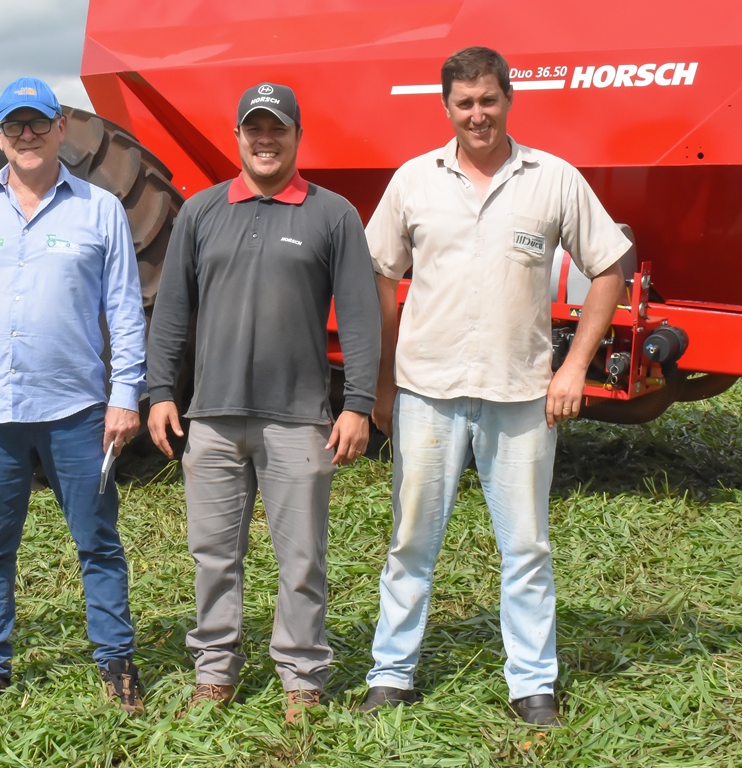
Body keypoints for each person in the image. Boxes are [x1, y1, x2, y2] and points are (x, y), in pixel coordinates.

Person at [359, 47, 631, 726]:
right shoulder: (413, 181)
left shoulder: (553, 179)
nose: (476, 114)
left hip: (520, 398)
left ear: (508, 99)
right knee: (410, 542)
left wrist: (573, 368)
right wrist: (383, 384)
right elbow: (380, 280)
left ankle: (531, 685)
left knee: (527, 547)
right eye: (463, 103)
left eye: (487, 100)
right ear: (445, 107)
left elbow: (610, 265)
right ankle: (391, 673)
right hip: (426, 392)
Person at [146, 82, 383, 724]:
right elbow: (172, 312)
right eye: (254, 128)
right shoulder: (200, 211)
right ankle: (215, 669)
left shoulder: (332, 215)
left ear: (297, 136)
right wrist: (161, 391)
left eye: (277, 128)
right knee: (213, 553)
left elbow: (361, 317)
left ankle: (302, 674)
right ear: (238, 138)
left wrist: (358, 402)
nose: (265, 139)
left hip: (298, 418)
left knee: (301, 555)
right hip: (213, 419)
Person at [0, 77, 148, 714]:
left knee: (98, 541)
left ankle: (115, 661)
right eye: (15, 125)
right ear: (0, 135)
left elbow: (126, 312)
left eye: (38, 123)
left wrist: (125, 393)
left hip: (77, 411)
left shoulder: (100, 209)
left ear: (59, 130)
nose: (27, 135)